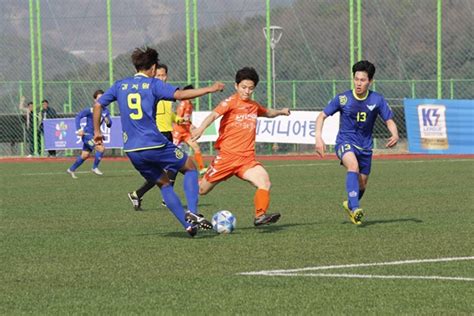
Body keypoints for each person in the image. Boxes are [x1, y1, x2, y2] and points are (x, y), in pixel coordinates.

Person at [93, 47, 225, 237]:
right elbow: (180, 95)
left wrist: (98, 132)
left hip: (131, 149)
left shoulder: (120, 85)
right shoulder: (153, 84)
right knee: (190, 166)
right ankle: (193, 212)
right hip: (154, 143)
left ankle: (188, 226)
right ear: (153, 67)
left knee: (164, 183)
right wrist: (210, 89)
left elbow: (98, 105)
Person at [192, 67, 290, 227]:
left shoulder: (253, 106)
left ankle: (260, 216)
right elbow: (213, 115)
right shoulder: (230, 102)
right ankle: (176, 200)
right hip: (227, 158)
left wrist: (281, 112)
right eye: (244, 87)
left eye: (250, 88)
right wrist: (201, 128)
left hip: (246, 160)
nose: (247, 91)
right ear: (236, 86)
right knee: (202, 190)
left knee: (264, 181)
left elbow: (268, 112)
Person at [315, 60, 399, 225]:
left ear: (370, 81)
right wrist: (319, 137)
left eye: (362, 80)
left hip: (365, 147)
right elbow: (321, 116)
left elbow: (388, 119)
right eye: (356, 79)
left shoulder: (377, 99)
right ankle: (355, 208)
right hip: (344, 142)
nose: (358, 83)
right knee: (353, 166)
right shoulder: (343, 98)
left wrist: (394, 134)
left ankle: (350, 204)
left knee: (362, 184)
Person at [127, 64, 182, 209]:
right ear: (152, 76)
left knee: (167, 170)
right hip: (156, 135)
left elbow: (168, 114)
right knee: (171, 167)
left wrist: (177, 120)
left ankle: (137, 194)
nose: (161, 78)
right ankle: (166, 198)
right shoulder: (150, 92)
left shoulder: (168, 92)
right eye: (158, 75)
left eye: (164, 75)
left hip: (167, 133)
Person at [67, 90, 112, 179]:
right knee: (101, 148)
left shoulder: (105, 111)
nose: (101, 100)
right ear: (94, 100)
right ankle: (94, 167)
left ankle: (71, 169)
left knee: (85, 155)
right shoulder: (91, 110)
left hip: (95, 135)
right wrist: (79, 129)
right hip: (87, 135)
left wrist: (108, 122)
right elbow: (78, 117)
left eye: (102, 98)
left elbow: (110, 124)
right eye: (98, 98)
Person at [172, 85, 207, 174]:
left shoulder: (190, 105)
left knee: (196, 148)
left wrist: (191, 125)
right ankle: (164, 168)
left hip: (186, 132)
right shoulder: (183, 103)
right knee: (171, 151)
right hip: (178, 132)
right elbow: (179, 119)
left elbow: (187, 119)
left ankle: (201, 168)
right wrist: (185, 121)